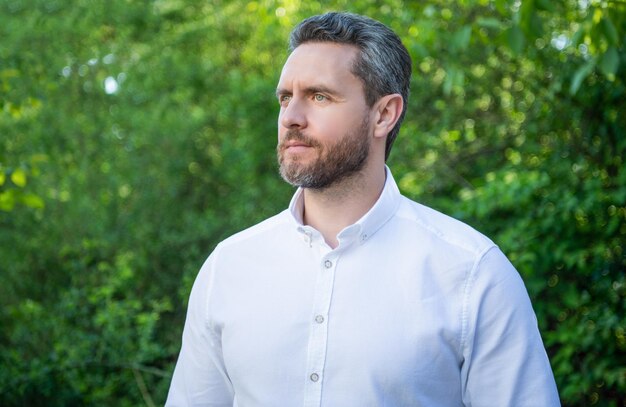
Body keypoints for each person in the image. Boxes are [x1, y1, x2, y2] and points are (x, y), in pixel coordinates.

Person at [166, 12, 560, 407]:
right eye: (286, 98)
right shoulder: (229, 267)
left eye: (319, 96)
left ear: (384, 114)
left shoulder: (472, 273)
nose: (291, 118)